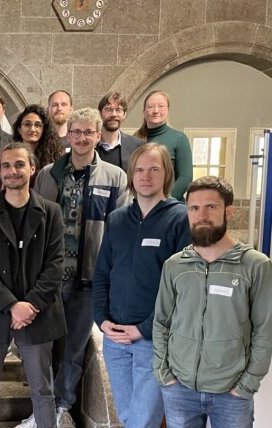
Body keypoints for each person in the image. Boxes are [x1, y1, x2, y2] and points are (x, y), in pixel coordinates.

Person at [33, 108, 129, 428]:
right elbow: (35, 223)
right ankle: (42, 406)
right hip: (50, 278)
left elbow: (119, 230)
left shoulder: (114, 177)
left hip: (88, 277)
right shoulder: (48, 174)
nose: (82, 137)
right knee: (44, 348)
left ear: (98, 136)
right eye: (76, 131)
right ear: (69, 135)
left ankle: (63, 406)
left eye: (89, 132)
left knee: (74, 348)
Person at [153, 176, 272, 428]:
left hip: (232, 394)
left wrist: (247, 384)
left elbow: (265, 329)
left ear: (229, 211)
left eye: (211, 207)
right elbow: (161, 321)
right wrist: (164, 374)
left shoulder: (256, 265)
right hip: (180, 389)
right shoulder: (175, 265)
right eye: (194, 208)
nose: (202, 215)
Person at [0, 143, 66, 428]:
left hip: (39, 313)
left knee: (43, 390)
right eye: (6, 165)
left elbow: (55, 265)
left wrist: (30, 305)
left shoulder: (51, 212)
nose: (13, 171)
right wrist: (11, 305)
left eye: (19, 164)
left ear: (32, 168)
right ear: (0, 172)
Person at [93, 143, 190, 427]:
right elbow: (102, 273)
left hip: (152, 339)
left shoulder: (181, 219)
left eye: (154, 169)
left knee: (143, 420)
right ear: (131, 175)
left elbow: (182, 288)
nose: (145, 176)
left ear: (167, 174)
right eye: (139, 170)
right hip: (115, 338)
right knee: (128, 417)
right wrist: (101, 320)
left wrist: (144, 329)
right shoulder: (117, 219)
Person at [134, 90, 193, 200]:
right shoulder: (135, 139)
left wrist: (166, 202)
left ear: (167, 110)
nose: (156, 111)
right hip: (141, 204)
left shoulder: (179, 138)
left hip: (171, 205)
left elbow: (185, 178)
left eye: (161, 106)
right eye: (151, 106)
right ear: (144, 111)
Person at [11, 104, 64, 185]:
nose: (32, 129)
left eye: (38, 125)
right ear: (19, 129)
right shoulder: (10, 155)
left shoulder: (53, 158)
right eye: (27, 124)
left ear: (44, 129)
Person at [94, 92, 144, 171]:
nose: (114, 114)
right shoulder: (89, 144)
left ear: (124, 115)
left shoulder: (138, 146)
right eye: (109, 109)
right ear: (100, 113)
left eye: (118, 110)